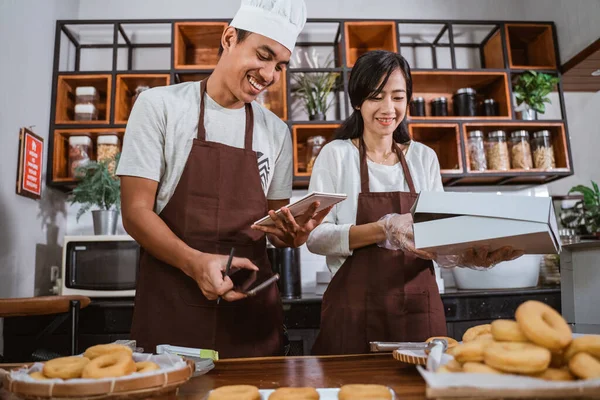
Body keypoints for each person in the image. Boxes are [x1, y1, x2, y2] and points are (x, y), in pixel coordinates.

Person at [116, 0, 330, 359]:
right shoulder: (160, 106)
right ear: (229, 38)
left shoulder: (277, 132)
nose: (269, 74)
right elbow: (135, 212)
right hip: (173, 308)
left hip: (250, 314)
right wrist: (196, 263)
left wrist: (295, 235)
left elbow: (276, 223)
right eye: (263, 55)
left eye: (279, 65)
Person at [308, 51, 522, 355]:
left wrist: (469, 257)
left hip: (419, 312)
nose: (388, 108)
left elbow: (439, 238)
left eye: (398, 97)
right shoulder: (336, 155)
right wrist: (384, 229)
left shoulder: (424, 158)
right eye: (376, 97)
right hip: (352, 312)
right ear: (358, 101)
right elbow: (316, 238)